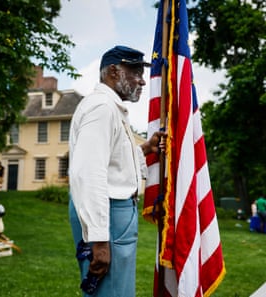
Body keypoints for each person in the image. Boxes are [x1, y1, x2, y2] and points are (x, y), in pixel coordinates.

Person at [68, 45, 166, 297]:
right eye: (135, 72)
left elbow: (111, 161)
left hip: (114, 212)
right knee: (111, 292)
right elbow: (89, 173)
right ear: (113, 71)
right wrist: (99, 240)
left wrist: (145, 148)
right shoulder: (101, 108)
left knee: (118, 290)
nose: (142, 80)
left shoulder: (109, 107)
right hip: (108, 213)